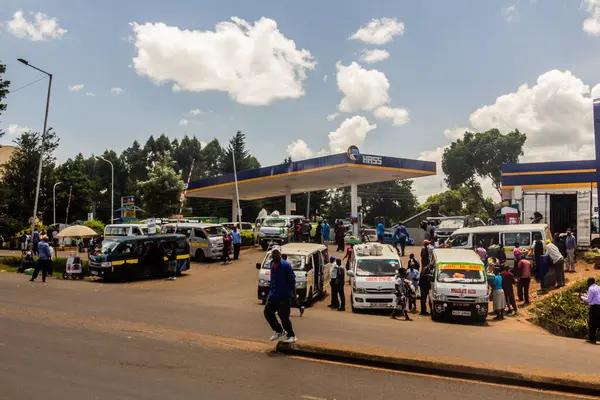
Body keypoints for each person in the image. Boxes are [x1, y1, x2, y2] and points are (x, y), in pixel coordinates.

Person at [263, 246, 297, 343]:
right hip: (273, 295)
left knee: (284, 318)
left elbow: (292, 281)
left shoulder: (286, 265)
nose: (274, 255)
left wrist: (294, 295)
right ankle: (279, 330)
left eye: (276, 253)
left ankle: (291, 335)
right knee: (267, 312)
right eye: (273, 253)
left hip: (283, 296)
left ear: (280, 254)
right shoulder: (271, 264)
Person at [581, 277, 600, 344]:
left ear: (589, 282)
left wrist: (582, 297)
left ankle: (592, 339)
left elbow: (589, 300)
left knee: (592, 323)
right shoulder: (598, 287)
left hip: (594, 307)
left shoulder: (591, 288)